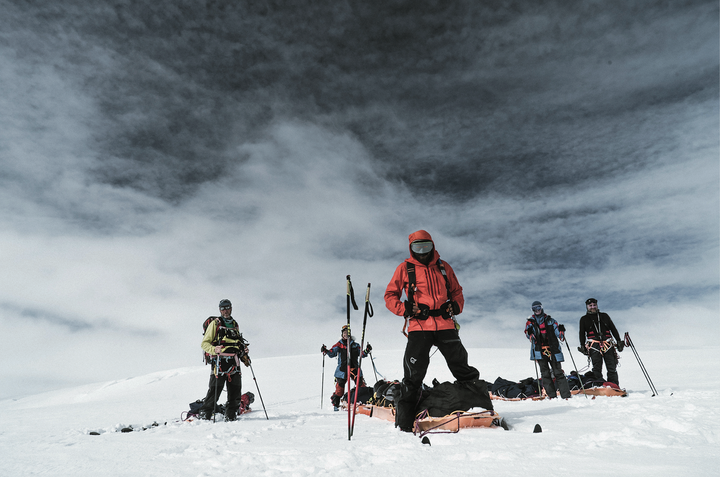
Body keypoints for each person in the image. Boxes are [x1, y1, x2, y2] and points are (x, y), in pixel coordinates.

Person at [384, 229, 491, 432]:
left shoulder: (443, 267)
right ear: (411, 248)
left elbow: (457, 291)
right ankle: (405, 423)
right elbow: (390, 295)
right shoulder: (404, 268)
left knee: (461, 367)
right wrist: (404, 308)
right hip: (419, 327)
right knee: (414, 374)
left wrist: (456, 306)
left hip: (445, 325)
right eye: (418, 247)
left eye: (426, 246)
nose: (423, 251)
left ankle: (481, 409)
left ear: (433, 246)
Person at [198, 299, 250, 421]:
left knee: (235, 392)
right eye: (223, 308)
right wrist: (213, 349)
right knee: (214, 391)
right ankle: (205, 416)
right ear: (219, 310)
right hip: (219, 362)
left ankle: (231, 416)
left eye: (227, 307)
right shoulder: (215, 324)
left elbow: (238, 343)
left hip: (234, 362)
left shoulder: (235, 324)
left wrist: (243, 351)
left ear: (231, 308)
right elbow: (204, 343)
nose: (225, 310)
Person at [524, 301, 571, 399]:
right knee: (545, 374)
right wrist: (530, 334)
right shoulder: (530, 322)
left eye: (538, 308)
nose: (537, 310)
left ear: (542, 308)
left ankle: (566, 395)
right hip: (539, 351)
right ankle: (551, 396)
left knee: (558, 372)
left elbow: (559, 335)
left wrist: (561, 331)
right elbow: (528, 334)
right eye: (534, 309)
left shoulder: (551, 320)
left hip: (553, 350)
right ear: (532, 310)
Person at [321, 325, 371, 411]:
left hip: (354, 368)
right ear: (342, 334)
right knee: (340, 388)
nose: (345, 334)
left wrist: (367, 350)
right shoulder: (339, 345)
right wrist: (326, 351)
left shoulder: (355, 345)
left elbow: (362, 354)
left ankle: (364, 400)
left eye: (347, 333)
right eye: (344, 333)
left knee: (361, 385)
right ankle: (336, 403)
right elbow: (332, 353)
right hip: (342, 370)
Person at [578, 298, 623, 385]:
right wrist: (582, 345)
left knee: (611, 367)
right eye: (590, 306)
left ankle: (613, 385)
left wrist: (619, 341)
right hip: (594, 345)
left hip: (608, 343)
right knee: (597, 368)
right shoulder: (584, 319)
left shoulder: (604, 316)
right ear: (587, 307)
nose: (592, 307)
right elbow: (582, 333)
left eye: (594, 305)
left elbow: (613, 329)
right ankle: (599, 385)